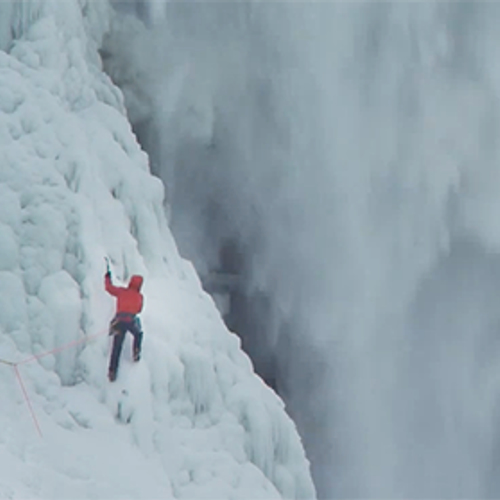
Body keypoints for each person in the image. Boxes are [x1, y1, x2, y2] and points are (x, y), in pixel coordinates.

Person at [105, 269, 144, 382]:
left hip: (119, 321)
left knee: (117, 347)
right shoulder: (139, 296)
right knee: (138, 333)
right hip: (130, 321)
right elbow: (139, 310)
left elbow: (109, 288)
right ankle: (136, 350)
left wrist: (107, 277)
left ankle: (112, 371)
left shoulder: (122, 292)